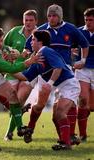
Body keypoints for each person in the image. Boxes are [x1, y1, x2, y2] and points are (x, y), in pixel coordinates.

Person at [25, 4, 89, 145]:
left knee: (65, 107)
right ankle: (30, 127)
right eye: (49, 15)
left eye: (54, 15)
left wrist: (83, 60)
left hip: (63, 70)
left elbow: (84, 44)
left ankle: (70, 135)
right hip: (46, 71)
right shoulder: (41, 30)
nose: (51, 18)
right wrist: (22, 59)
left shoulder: (70, 28)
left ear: (60, 17)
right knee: (40, 104)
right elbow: (28, 48)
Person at [0, 26, 42, 152]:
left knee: (12, 94)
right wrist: (28, 62)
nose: (0, 44)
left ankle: (20, 127)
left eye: (1, 40)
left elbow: (8, 51)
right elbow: (10, 69)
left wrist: (14, 53)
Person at [14, 30, 81, 150]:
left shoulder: (45, 50)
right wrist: (6, 68)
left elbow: (58, 67)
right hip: (61, 87)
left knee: (60, 113)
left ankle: (66, 143)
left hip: (70, 84)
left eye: (33, 39)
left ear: (40, 42)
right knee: (55, 117)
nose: (31, 42)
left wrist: (49, 84)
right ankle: (64, 140)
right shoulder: (37, 58)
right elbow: (24, 77)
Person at [3, 9, 38, 141]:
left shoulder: (39, 34)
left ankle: (9, 132)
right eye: (26, 20)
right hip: (12, 71)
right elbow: (3, 46)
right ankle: (19, 114)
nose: (28, 23)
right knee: (13, 102)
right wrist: (9, 53)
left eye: (31, 20)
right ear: (23, 20)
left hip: (30, 72)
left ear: (36, 21)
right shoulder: (14, 32)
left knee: (20, 99)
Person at [75, 8, 94, 142]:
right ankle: (82, 135)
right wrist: (72, 51)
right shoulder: (79, 32)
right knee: (83, 102)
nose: (88, 22)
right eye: (86, 20)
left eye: (91, 20)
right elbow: (69, 47)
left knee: (91, 107)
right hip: (83, 70)